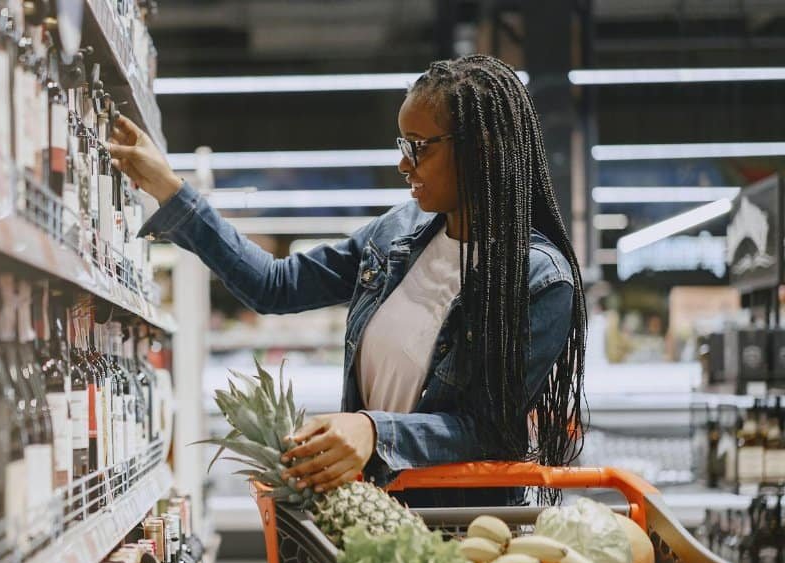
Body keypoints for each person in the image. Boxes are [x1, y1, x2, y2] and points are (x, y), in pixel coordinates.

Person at [107, 54, 587, 507]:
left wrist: (374, 432)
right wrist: (170, 189)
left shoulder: (539, 281)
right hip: (372, 512)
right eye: (403, 145)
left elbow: (489, 429)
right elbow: (275, 285)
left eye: (418, 147)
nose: (404, 164)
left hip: (462, 527)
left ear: (480, 149)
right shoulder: (395, 234)